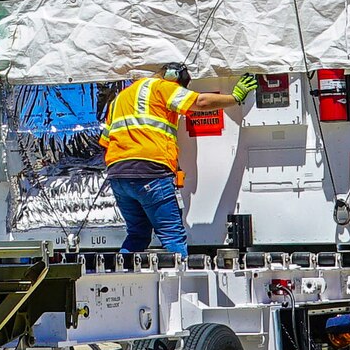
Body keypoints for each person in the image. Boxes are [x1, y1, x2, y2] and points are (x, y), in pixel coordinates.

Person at [102, 64, 255, 257]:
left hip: (119, 176)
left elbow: (105, 141)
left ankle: (123, 275)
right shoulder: (160, 87)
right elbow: (200, 102)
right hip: (150, 172)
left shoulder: (119, 99)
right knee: (172, 236)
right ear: (173, 76)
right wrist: (235, 98)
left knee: (137, 235)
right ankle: (180, 283)